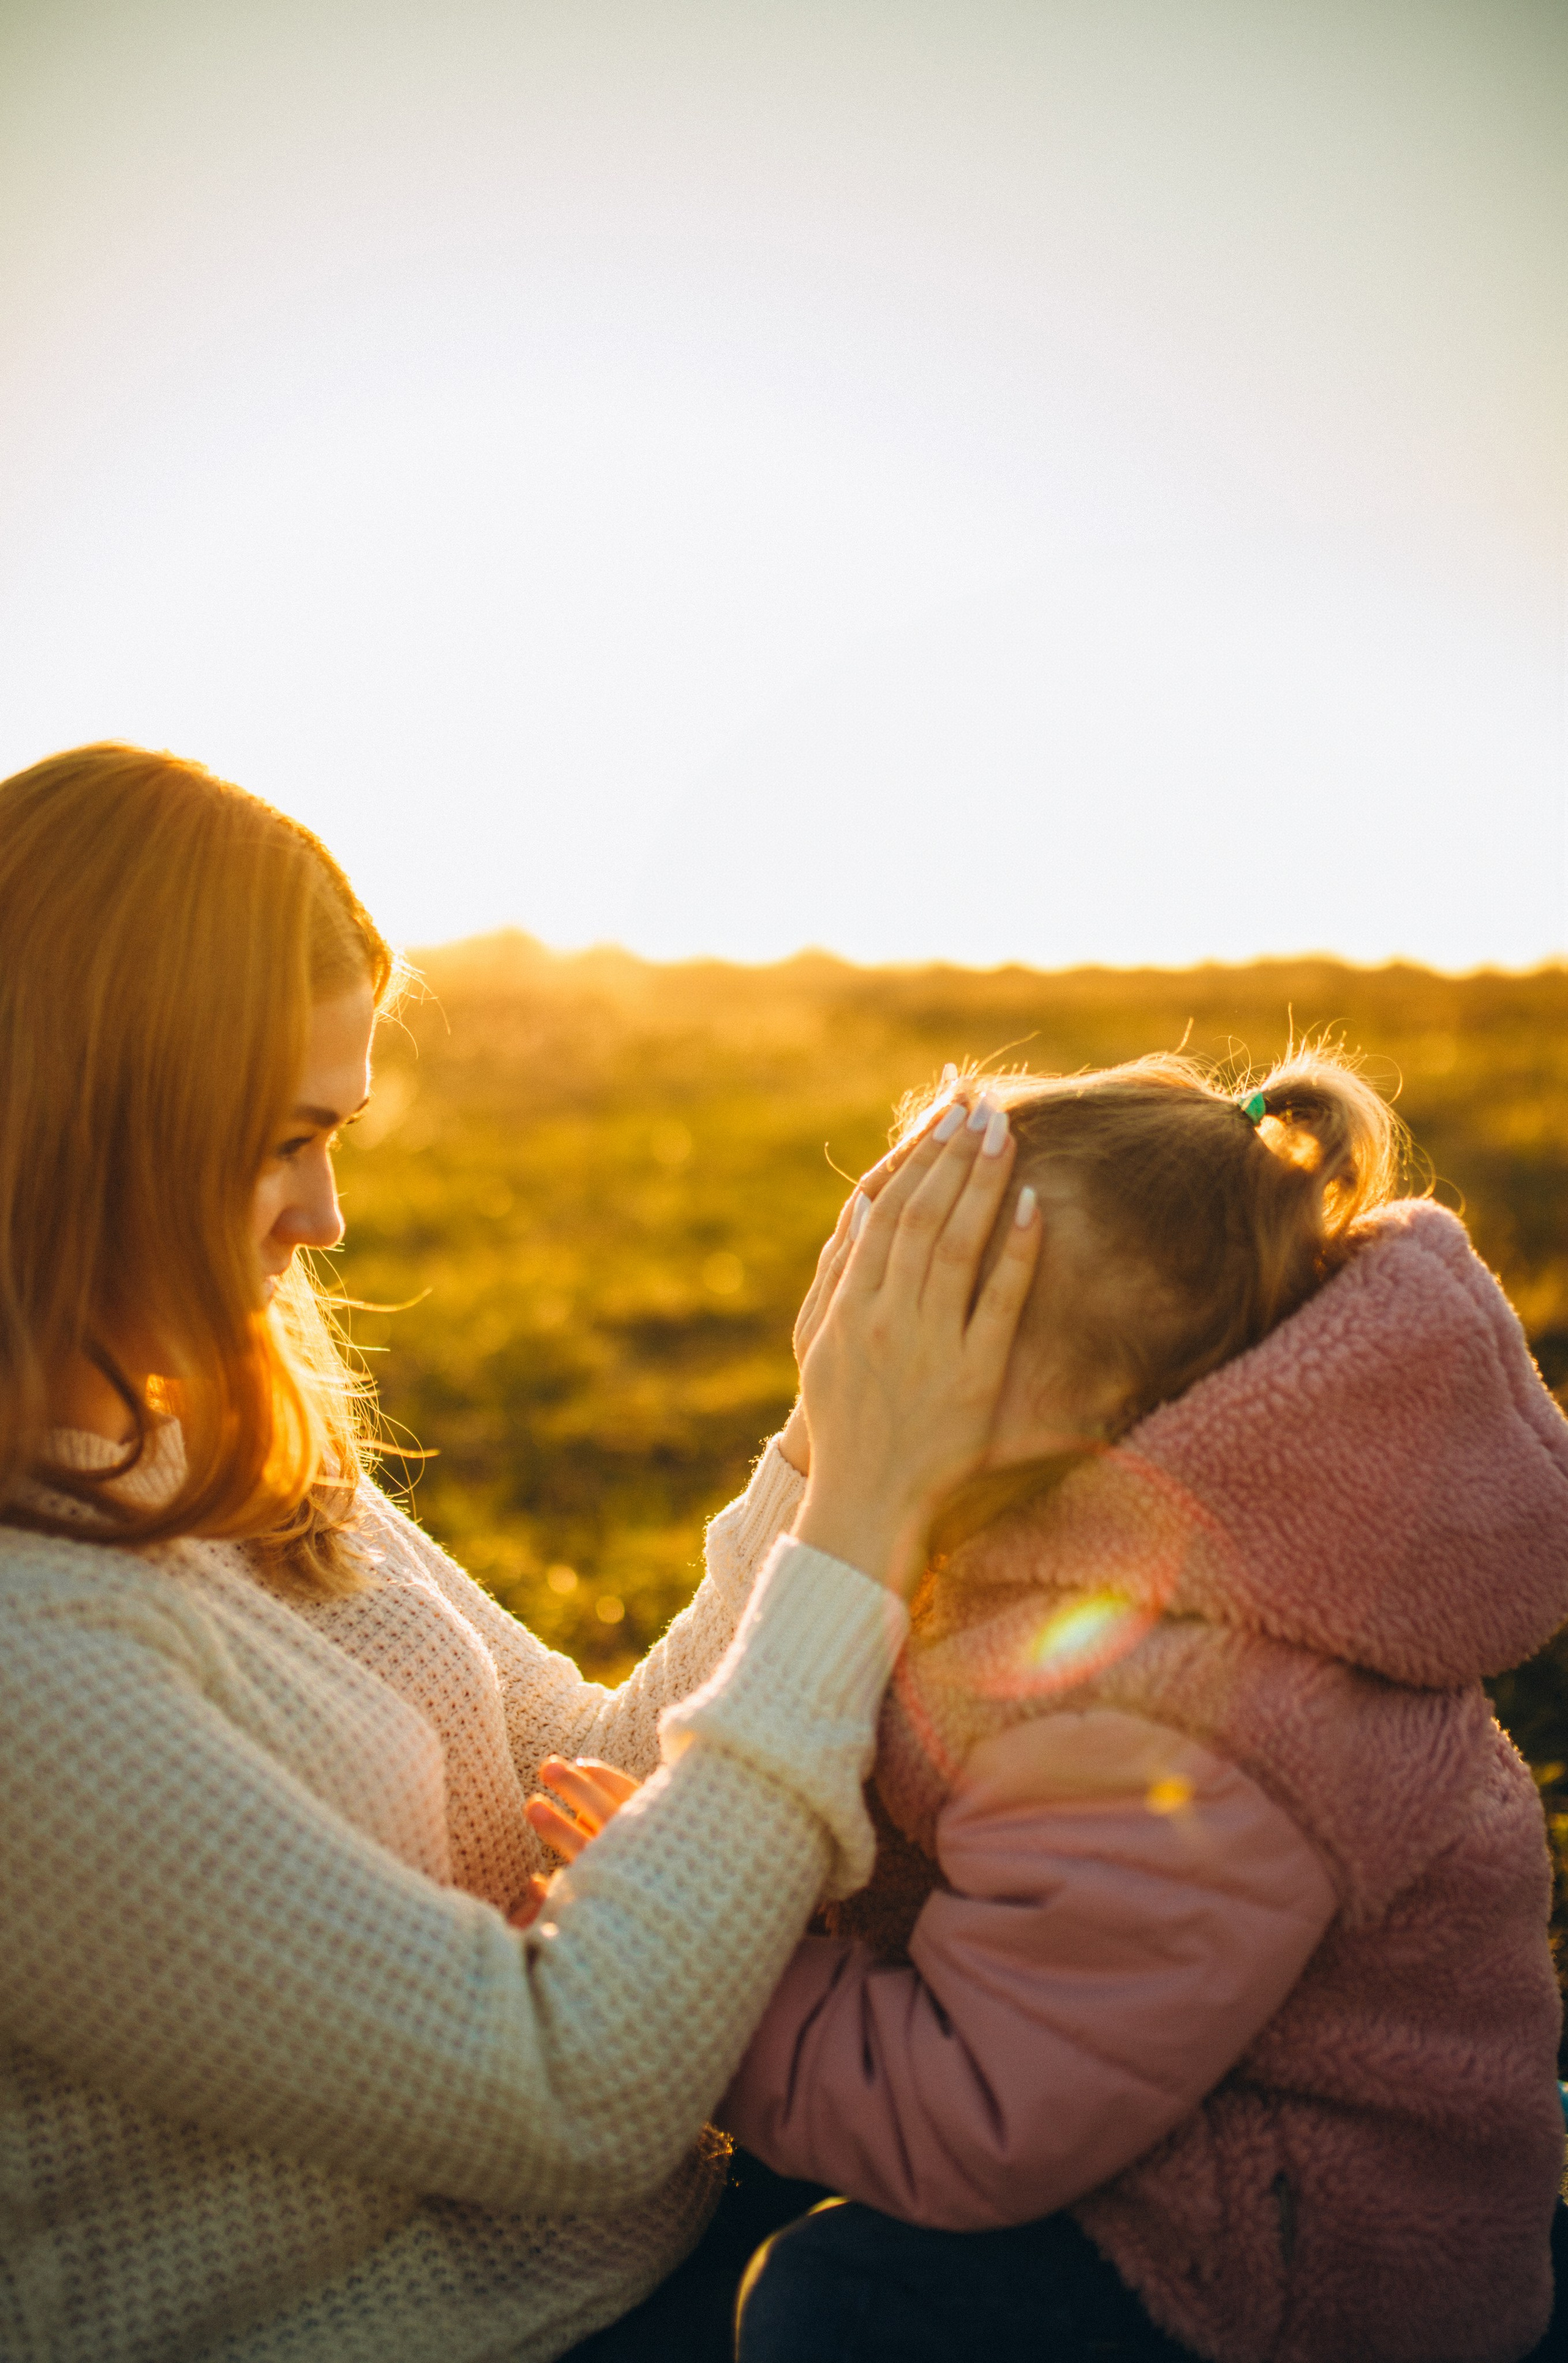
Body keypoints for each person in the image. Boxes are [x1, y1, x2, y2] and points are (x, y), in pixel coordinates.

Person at [0, 741, 1042, 2363]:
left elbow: (596, 1773)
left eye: (334, 1131)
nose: (325, 1215)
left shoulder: (198, 1438)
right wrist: (857, 1527)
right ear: (87, 1123)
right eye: (280, 1140)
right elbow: (565, 2088)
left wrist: (824, 1441)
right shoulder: (27, 1661)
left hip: (675, 2243)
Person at [554, 1051, 1568, 2361]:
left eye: (909, 1321)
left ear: (1072, 1418)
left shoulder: (1174, 1725)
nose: (851, 1348)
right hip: (1153, 2112)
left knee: (831, 2308)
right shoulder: (1107, 1558)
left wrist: (698, 1962)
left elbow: (972, 2112)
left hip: (1304, 2264)